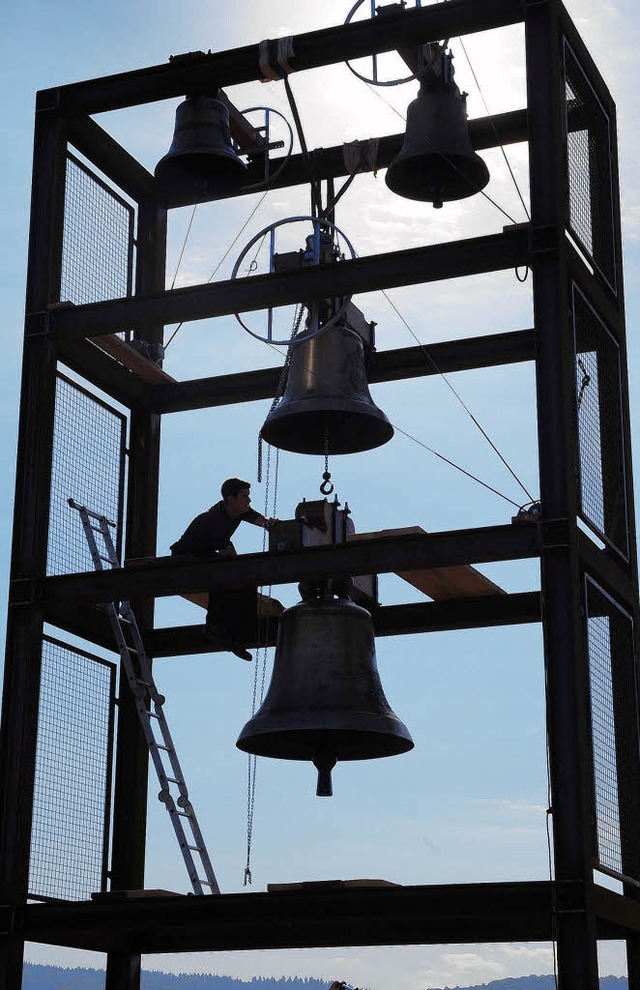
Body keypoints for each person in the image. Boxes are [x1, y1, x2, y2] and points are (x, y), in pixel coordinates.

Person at [170, 478, 274, 661]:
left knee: (243, 581)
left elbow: (256, 518)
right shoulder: (216, 519)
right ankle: (216, 627)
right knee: (231, 578)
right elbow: (229, 557)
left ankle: (236, 635)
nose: (248, 501)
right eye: (244, 497)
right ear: (230, 498)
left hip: (205, 557)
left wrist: (272, 524)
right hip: (186, 560)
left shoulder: (237, 510)